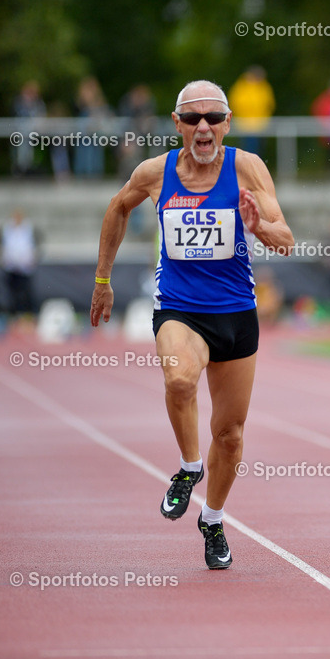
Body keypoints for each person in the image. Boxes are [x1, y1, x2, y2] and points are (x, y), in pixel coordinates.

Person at [90, 80, 294, 569]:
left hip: (236, 314)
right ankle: (188, 467)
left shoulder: (247, 168)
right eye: (192, 118)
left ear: (227, 124)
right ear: (178, 125)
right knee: (179, 378)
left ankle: (214, 520)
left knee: (231, 434)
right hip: (180, 307)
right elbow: (117, 207)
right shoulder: (154, 173)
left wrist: (258, 225)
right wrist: (102, 279)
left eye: (213, 118)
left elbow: (285, 239)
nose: (204, 127)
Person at [228, 66, 275, 156]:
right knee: (248, 149)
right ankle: (246, 167)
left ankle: (253, 167)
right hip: (244, 124)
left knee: (256, 149)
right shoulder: (242, 87)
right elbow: (236, 104)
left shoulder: (263, 87)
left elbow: (269, 104)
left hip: (260, 124)